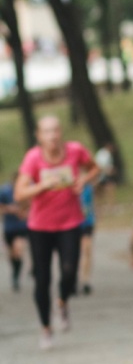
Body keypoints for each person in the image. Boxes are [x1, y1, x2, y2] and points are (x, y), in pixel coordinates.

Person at [14, 116, 99, 349]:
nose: (52, 136)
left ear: (60, 132)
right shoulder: (33, 158)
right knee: (42, 279)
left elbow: (94, 168)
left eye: (55, 131)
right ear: (39, 136)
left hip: (71, 223)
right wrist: (43, 185)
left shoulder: (75, 151)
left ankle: (62, 303)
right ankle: (45, 328)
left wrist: (84, 179)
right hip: (40, 227)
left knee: (69, 272)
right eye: (47, 132)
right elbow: (20, 194)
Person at [0, 174, 28, 291]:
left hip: (21, 227)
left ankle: (16, 277)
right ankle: (14, 272)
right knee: (12, 254)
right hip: (9, 227)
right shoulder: (4, 191)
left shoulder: (26, 191)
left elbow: (32, 207)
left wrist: (24, 212)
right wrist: (9, 209)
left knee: (18, 250)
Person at [79, 181, 96, 294]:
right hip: (73, 224)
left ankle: (85, 280)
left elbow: (91, 205)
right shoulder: (68, 187)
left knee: (87, 251)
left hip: (87, 223)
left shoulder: (89, 188)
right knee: (77, 253)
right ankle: (77, 279)